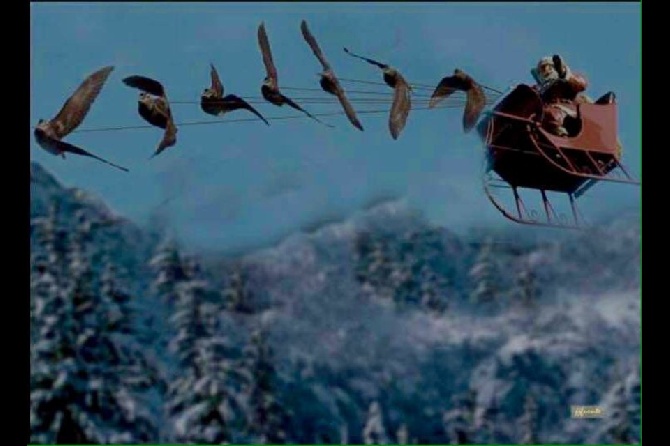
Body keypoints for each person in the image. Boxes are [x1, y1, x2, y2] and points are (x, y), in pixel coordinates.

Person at [531, 55, 588, 137]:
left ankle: (562, 137)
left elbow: (582, 84)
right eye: (542, 69)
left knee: (550, 114)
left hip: (566, 111)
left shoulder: (564, 80)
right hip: (542, 114)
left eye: (550, 67)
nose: (546, 70)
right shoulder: (538, 88)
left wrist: (564, 74)